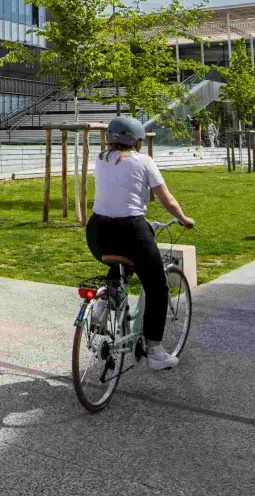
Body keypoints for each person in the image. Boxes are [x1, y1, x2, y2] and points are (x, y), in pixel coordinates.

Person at [84, 116, 196, 370]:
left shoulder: (100, 159)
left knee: (122, 260)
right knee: (157, 287)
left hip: (97, 232)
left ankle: (102, 304)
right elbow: (167, 200)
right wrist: (184, 219)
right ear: (137, 140)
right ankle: (155, 352)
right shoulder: (144, 161)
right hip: (131, 230)